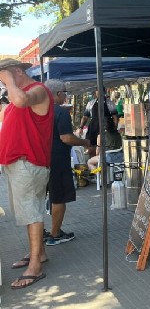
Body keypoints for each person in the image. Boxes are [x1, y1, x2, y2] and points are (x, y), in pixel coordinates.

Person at [0, 58, 53, 289]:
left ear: (17, 72)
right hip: (17, 164)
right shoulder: (16, 97)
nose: (2, 81)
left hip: (28, 163)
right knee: (27, 212)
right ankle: (38, 253)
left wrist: (8, 80)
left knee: (31, 213)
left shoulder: (38, 90)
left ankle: (35, 267)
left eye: (4, 76)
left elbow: (22, 101)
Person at [44, 79, 91, 245]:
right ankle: (55, 234)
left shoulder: (36, 110)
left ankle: (40, 232)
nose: (66, 96)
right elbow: (66, 138)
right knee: (59, 198)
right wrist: (84, 142)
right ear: (58, 94)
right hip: (57, 160)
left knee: (39, 199)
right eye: (65, 92)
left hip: (39, 160)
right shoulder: (60, 112)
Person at [77, 89, 118, 156]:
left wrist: (115, 128)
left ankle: (102, 160)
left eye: (100, 91)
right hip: (93, 127)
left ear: (104, 92)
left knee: (105, 147)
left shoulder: (110, 103)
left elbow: (115, 117)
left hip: (106, 128)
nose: (99, 93)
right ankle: (93, 159)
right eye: (97, 91)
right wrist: (81, 127)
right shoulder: (91, 103)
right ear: (95, 93)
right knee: (90, 146)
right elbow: (85, 117)